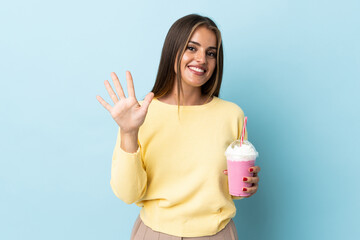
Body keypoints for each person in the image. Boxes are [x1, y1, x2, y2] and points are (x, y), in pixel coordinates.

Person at [96, 14, 261, 240]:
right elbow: (128, 194)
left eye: (211, 53)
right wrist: (128, 132)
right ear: (173, 51)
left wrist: (246, 185)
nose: (202, 59)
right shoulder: (140, 113)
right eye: (192, 48)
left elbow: (232, 190)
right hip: (155, 234)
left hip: (217, 234)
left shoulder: (231, 115)